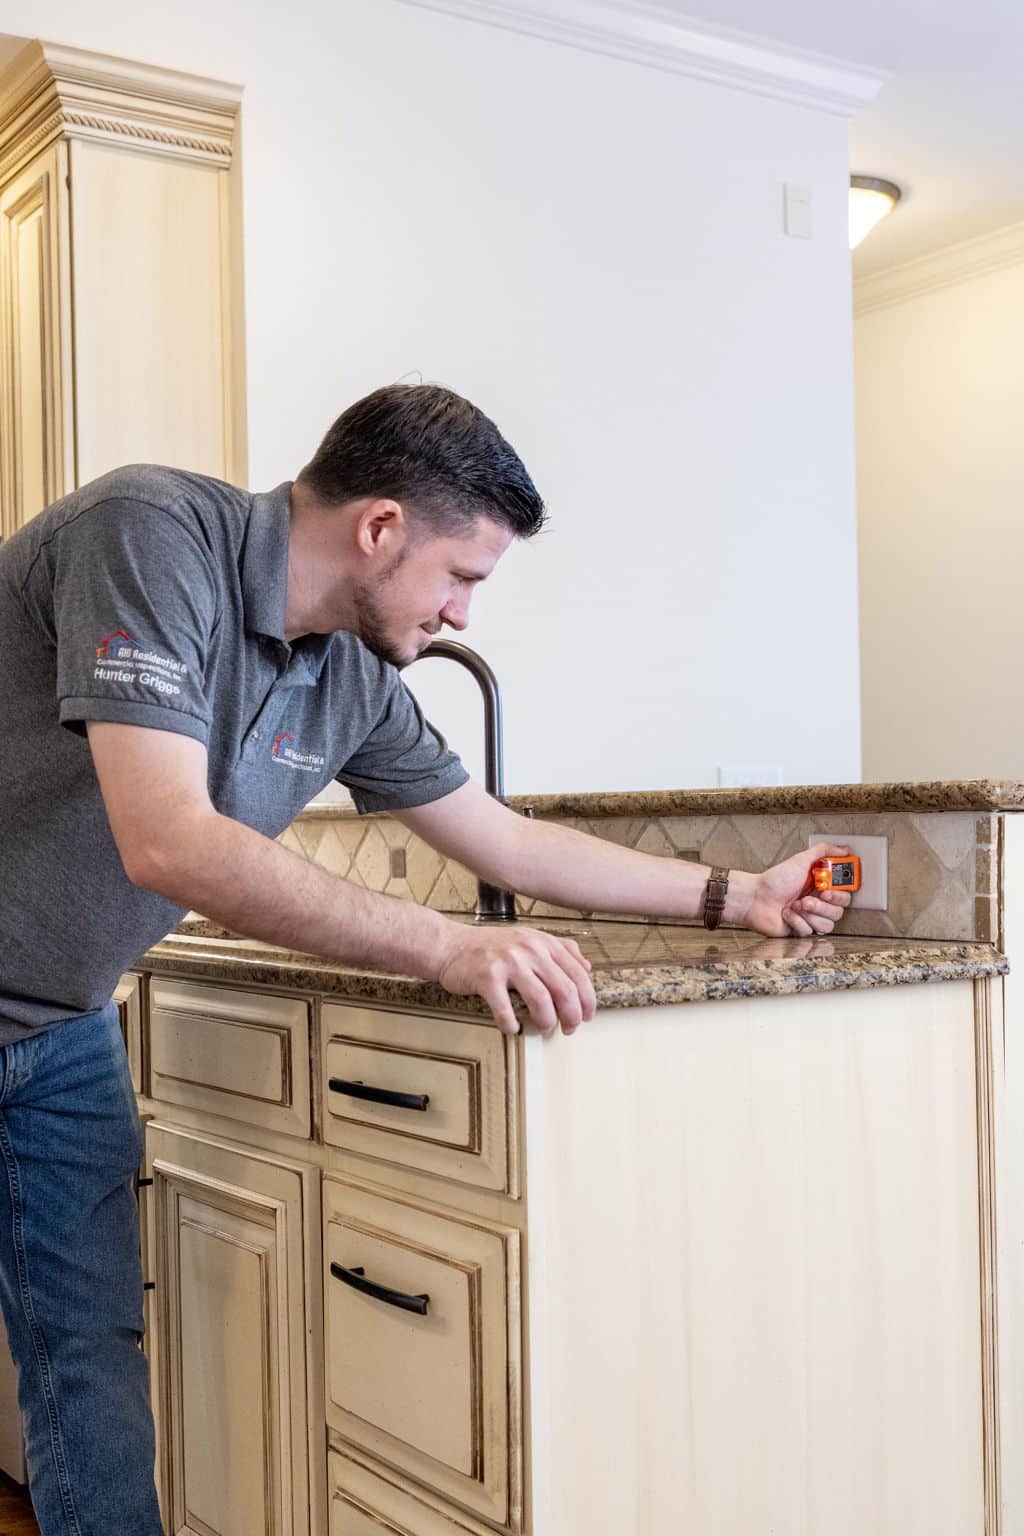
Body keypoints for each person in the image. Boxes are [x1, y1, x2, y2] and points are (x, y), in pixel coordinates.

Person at [0, 382, 849, 1532]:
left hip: (58, 1027)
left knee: (87, 1358)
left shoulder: (348, 678)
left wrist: (737, 894)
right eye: (464, 576)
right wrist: (447, 944)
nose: (464, 613)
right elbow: (170, 840)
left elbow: (507, 838)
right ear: (381, 527)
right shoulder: (150, 535)